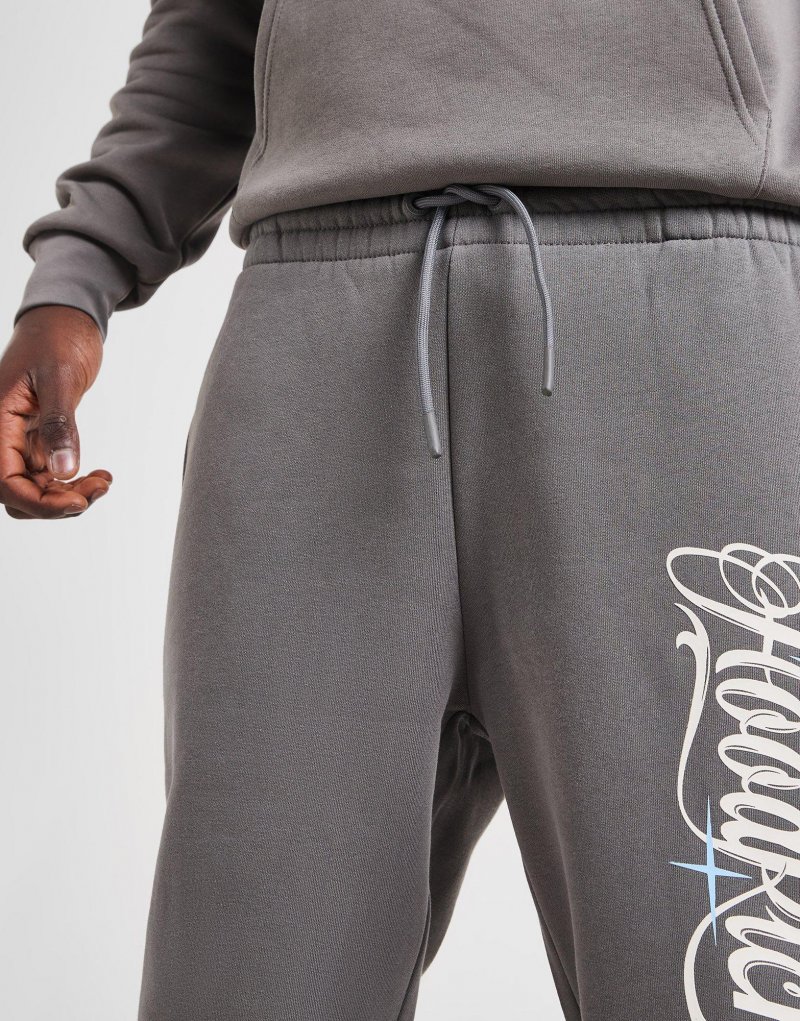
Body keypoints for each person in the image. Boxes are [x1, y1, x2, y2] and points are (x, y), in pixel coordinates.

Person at [3, 1, 800, 1018]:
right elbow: (212, 28)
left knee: (723, 978)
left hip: (689, 323)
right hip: (312, 342)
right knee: (249, 979)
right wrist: (75, 279)